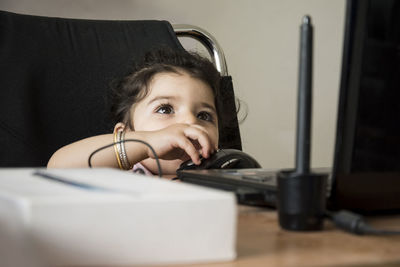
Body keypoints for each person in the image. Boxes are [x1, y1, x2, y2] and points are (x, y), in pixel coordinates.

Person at [47, 48, 221, 179]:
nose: (190, 121)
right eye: (165, 109)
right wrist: (145, 143)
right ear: (125, 134)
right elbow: (57, 169)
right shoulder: (123, 173)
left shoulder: (221, 173)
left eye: (204, 116)